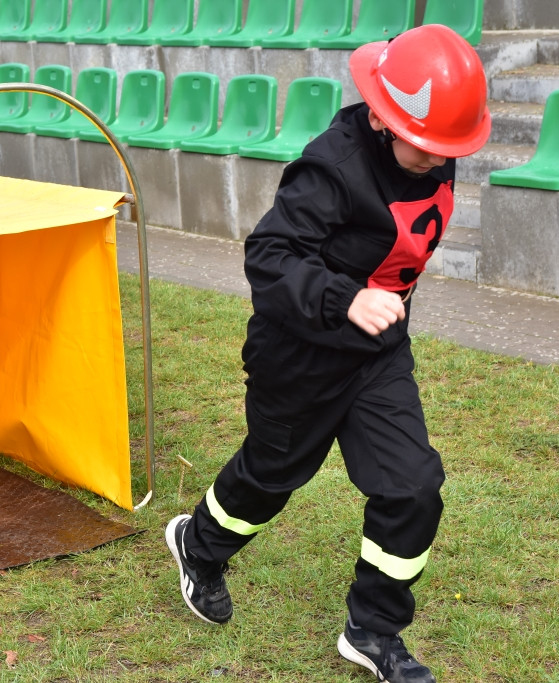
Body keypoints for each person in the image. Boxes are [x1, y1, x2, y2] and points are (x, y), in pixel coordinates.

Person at [164, 24, 491, 683]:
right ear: (380, 116)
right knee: (270, 478)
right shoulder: (332, 167)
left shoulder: (432, 143)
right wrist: (345, 299)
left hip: (374, 355)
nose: (439, 157)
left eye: (447, 146)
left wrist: (373, 313)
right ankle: (197, 543)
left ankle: (373, 628)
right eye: (425, 144)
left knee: (414, 486)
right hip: (300, 357)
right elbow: (269, 256)